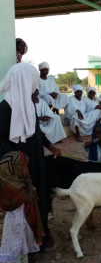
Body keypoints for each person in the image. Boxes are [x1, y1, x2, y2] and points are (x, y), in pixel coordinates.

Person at [0, 63, 61, 252]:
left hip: (36, 161)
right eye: (33, 80)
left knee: (39, 198)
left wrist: (49, 144)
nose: (35, 84)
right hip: (18, 169)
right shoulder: (5, 108)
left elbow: (35, 131)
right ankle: (26, 248)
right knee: (24, 204)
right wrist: (19, 165)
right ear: (24, 81)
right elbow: (2, 142)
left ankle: (42, 235)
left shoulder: (28, 104)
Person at [0, 152, 44, 263]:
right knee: (14, 246)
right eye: (25, 167)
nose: (27, 170)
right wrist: (29, 183)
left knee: (22, 241)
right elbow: (28, 197)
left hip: (21, 219)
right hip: (14, 222)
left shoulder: (14, 180)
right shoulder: (11, 186)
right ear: (15, 168)